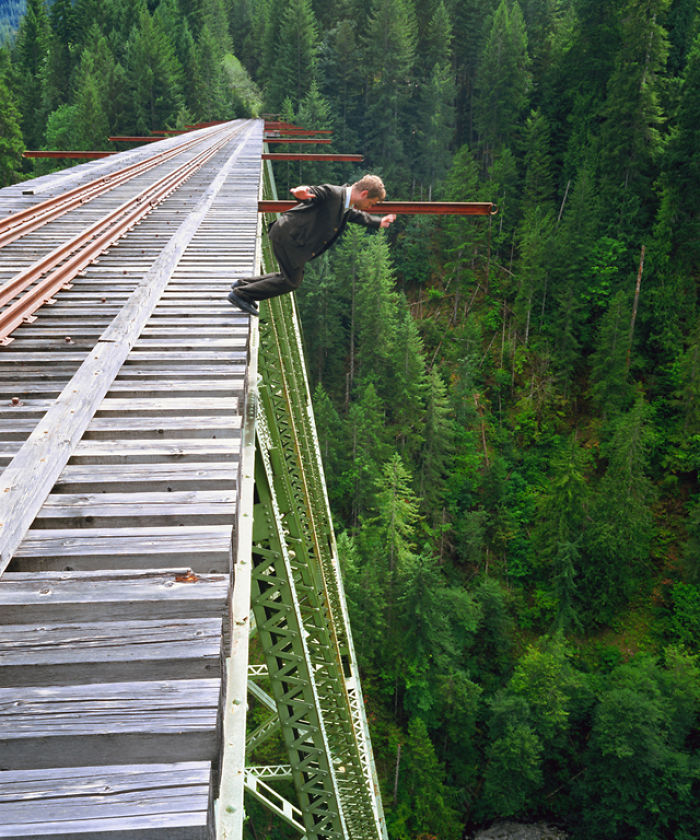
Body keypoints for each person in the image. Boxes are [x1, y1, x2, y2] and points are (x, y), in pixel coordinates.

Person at [227, 174, 396, 316]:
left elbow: (355, 216)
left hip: (293, 239)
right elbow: (315, 192)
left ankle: (243, 285)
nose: (369, 207)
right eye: (371, 203)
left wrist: (379, 222)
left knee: (287, 277)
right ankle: (241, 294)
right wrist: (302, 191)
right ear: (365, 193)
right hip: (290, 237)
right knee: (291, 281)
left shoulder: (345, 204)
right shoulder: (333, 193)